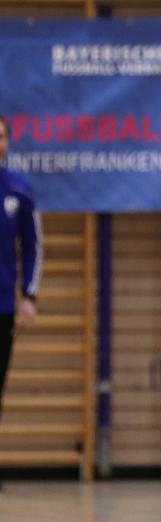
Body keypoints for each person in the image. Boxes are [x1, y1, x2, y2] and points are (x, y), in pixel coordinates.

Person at [0, 115, 42, 422]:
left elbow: (33, 245)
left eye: (1, 137)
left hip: (2, 307)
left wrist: (28, 294)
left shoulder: (20, 190)